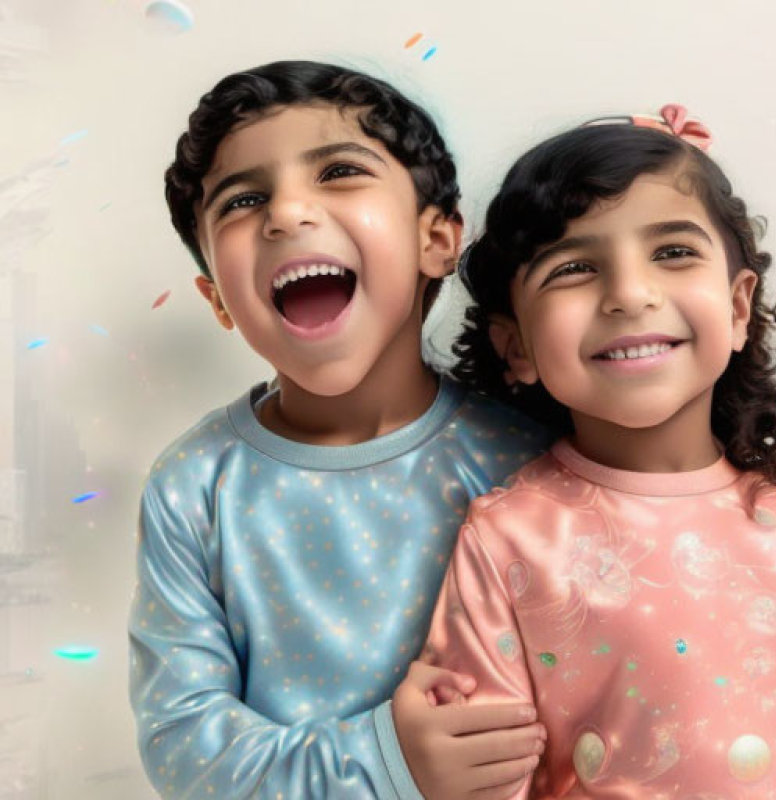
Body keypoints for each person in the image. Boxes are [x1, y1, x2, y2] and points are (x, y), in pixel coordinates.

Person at [421, 105, 776, 798]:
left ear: (740, 307)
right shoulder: (509, 539)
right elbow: (479, 778)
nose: (629, 294)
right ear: (517, 346)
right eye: (573, 268)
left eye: (673, 252)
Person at [128, 60, 550, 800]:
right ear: (218, 297)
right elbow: (181, 743)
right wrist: (386, 761)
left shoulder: (529, 461)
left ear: (439, 240)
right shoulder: (193, 487)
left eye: (340, 172)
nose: (286, 214)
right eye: (245, 199)